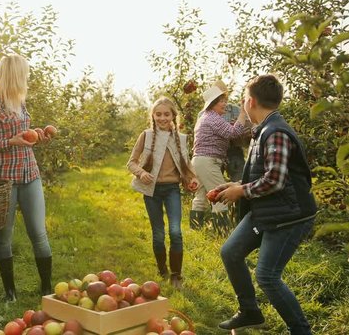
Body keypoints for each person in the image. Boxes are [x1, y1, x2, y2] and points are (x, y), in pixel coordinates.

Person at [214, 74, 317, 333]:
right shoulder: (263, 131)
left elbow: (275, 180)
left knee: (267, 276)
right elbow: (265, 173)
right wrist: (234, 185)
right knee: (231, 252)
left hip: (290, 214)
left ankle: (301, 331)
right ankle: (250, 311)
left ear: (250, 101)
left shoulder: (275, 132)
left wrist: (242, 192)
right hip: (270, 209)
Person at [0, 54, 53, 302]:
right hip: (3, 179)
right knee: (4, 236)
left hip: (30, 174)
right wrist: (10, 141)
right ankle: (10, 294)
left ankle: (46, 289)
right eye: (25, 74)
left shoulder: (20, 103)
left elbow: (24, 137)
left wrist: (37, 135)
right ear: (16, 75)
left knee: (39, 234)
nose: (28, 78)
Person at [127, 97, 199, 289]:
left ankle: (176, 275)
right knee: (158, 234)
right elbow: (131, 162)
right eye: (158, 114)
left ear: (173, 116)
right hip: (151, 191)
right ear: (153, 115)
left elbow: (186, 164)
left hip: (172, 189)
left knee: (175, 231)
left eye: (166, 114)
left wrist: (193, 179)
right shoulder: (147, 136)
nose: (162, 118)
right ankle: (162, 270)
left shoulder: (180, 139)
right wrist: (141, 173)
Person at [189, 80, 249, 230]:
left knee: (201, 196)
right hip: (208, 162)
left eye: (225, 100)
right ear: (213, 103)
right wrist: (243, 112)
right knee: (220, 195)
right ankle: (223, 233)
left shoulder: (206, 117)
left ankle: (195, 229)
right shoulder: (213, 118)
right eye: (222, 101)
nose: (225, 104)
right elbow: (233, 133)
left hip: (199, 160)